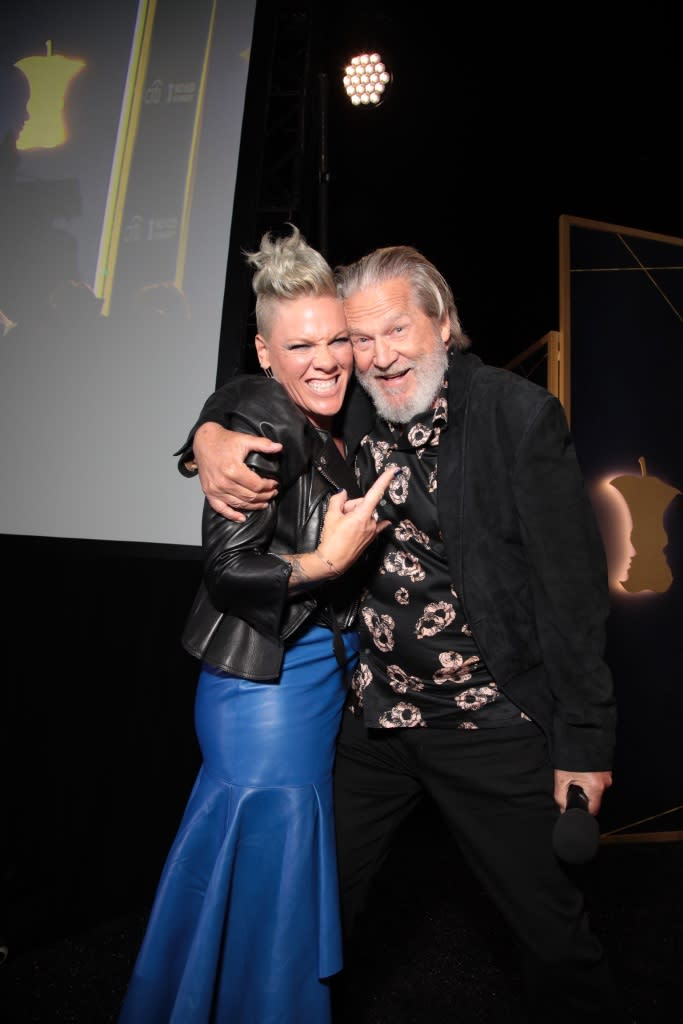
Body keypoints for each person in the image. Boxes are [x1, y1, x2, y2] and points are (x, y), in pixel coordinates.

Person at [176, 243, 630, 1022]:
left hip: (486, 723)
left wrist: (584, 741)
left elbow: (573, 594)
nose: (377, 357)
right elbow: (270, 385)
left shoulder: (516, 417)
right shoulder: (352, 405)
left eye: (396, 331)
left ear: (443, 323)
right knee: (317, 914)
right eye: (361, 339)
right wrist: (209, 435)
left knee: (552, 938)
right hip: (374, 722)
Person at [118, 225, 395, 1024]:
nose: (327, 359)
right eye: (299, 344)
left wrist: (204, 423)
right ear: (264, 353)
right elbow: (226, 571)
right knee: (267, 889)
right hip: (265, 695)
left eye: (336, 338)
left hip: (306, 685)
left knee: (258, 887)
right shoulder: (262, 425)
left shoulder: (324, 419)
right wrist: (324, 563)